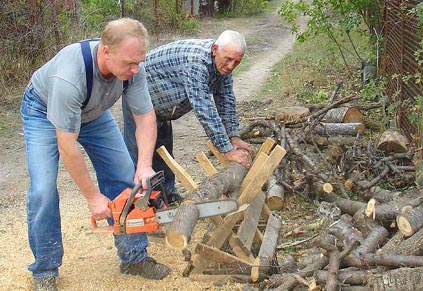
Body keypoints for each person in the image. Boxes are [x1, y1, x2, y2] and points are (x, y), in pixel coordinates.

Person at [20, 18, 170, 291]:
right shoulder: (69, 77)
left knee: (126, 177)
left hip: (93, 112)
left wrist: (145, 166)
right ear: (106, 51)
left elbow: (145, 117)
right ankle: (45, 269)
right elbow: (68, 145)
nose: (135, 69)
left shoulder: (133, 68)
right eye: (129, 63)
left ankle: (134, 258)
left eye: (139, 62)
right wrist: (93, 197)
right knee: (43, 190)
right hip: (43, 112)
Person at [122, 30, 253, 204]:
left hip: (163, 109)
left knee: (164, 153)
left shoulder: (223, 68)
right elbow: (204, 108)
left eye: (237, 61)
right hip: (141, 102)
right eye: (228, 59)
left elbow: (226, 99)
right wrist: (227, 150)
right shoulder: (196, 62)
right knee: (139, 158)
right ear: (215, 49)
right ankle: (139, 206)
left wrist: (233, 137)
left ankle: (167, 195)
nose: (231, 66)